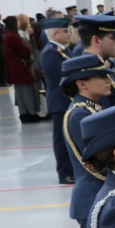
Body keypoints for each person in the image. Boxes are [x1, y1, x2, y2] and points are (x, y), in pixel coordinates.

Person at [62, 54, 115, 228]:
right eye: (101, 77)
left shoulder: (93, 107)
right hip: (93, 197)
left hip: (102, 196)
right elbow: (93, 162)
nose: (108, 80)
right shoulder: (80, 114)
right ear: (82, 84)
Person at [41, 18, 76, 182]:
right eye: (65, 32)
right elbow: (61, 77)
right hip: (60, 102)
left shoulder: (64, 51)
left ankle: (72, 169)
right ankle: (65, 172)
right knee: (62, 140)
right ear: (55, 34)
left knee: (70, 138)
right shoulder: (51, 53)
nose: (68, 34)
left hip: (66, 101)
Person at [3, 15, 42, 122]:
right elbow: (25, 49)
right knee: (27, 91)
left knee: (20, 92)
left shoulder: (7, 35)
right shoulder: (12, 36)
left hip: (14, 67)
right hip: (20, 66)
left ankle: (24, 114)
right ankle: (31, 113)